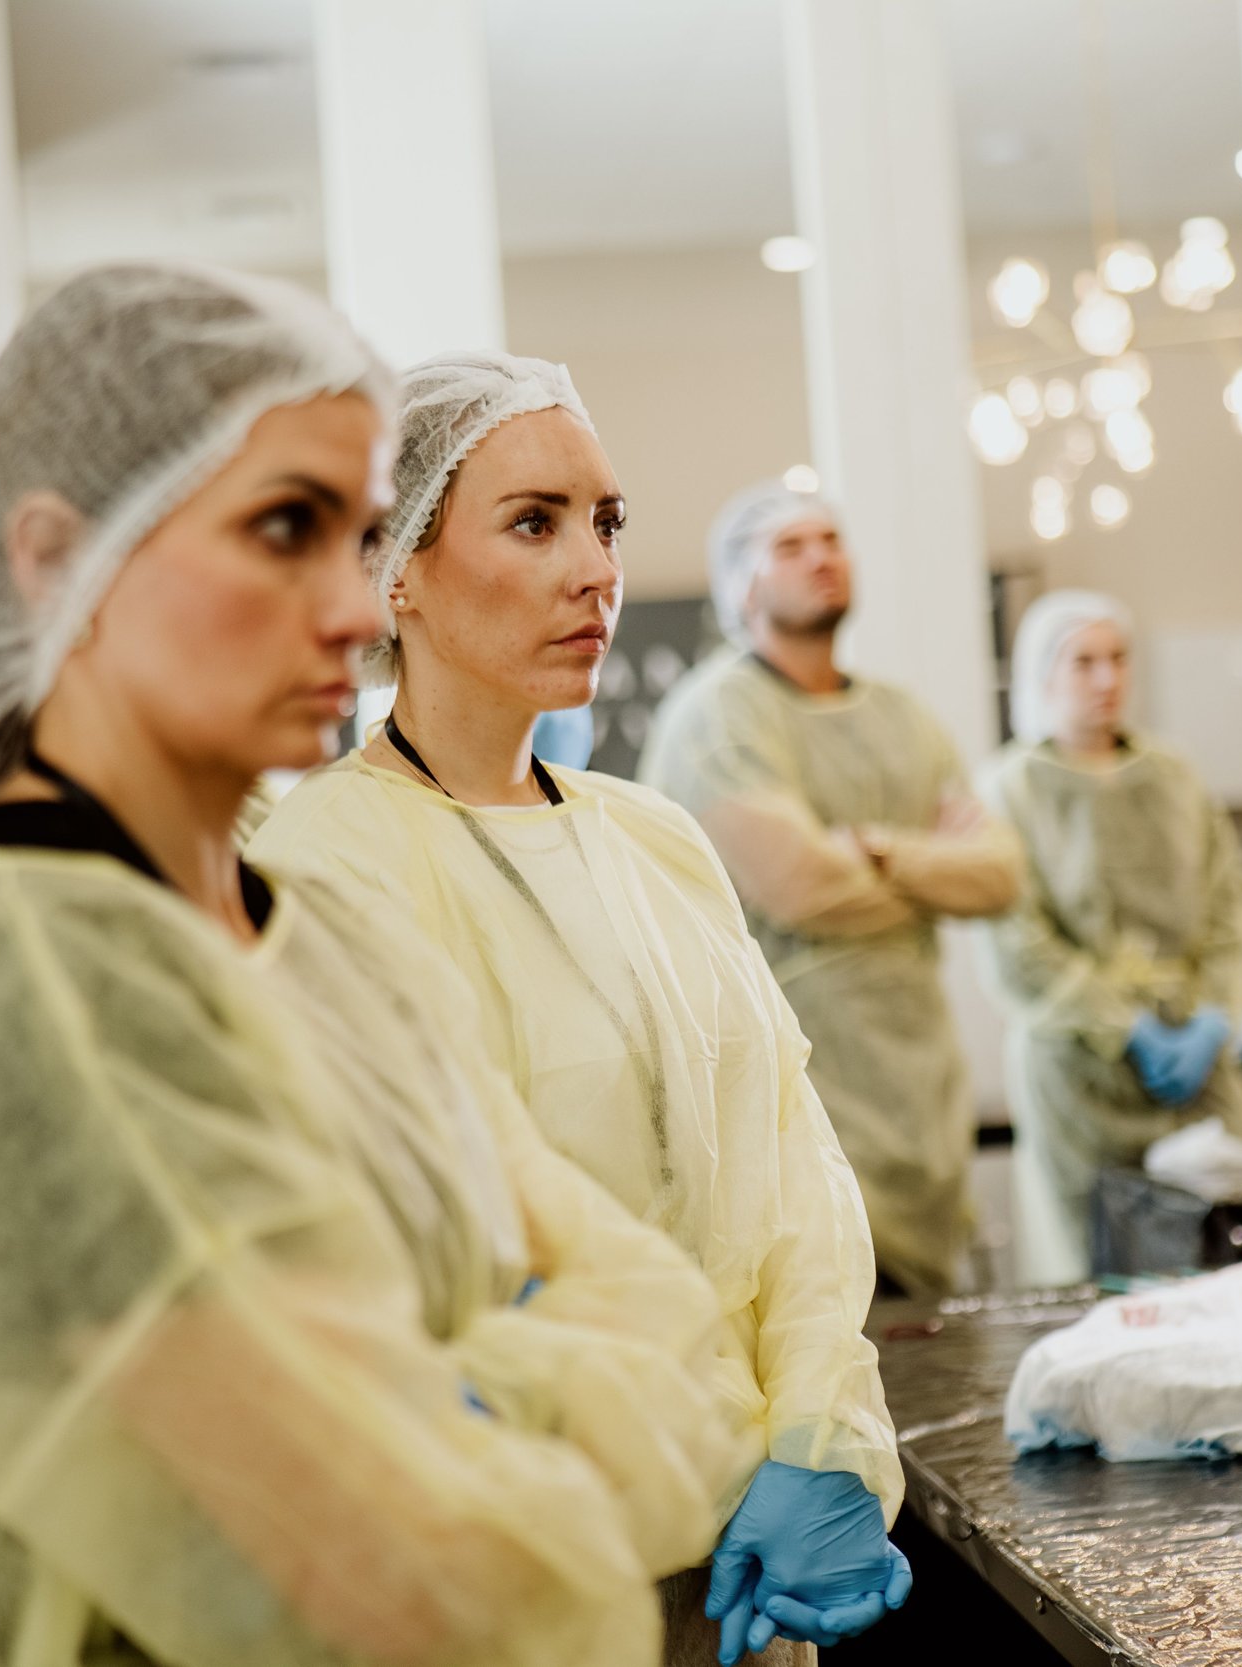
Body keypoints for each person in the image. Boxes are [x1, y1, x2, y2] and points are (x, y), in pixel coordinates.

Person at [0, 266, 761, 1667]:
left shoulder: (322, 935)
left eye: (362, 536)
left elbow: (673, 1331)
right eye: (285, 528)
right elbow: (423, 1585)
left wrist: (459, 1388)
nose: (354, 609)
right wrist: (506, 1359)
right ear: (56, 555)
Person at [248, 353, 906, 1667]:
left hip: (747, 1565)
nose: (595, 568)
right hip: (530, 1585)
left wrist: (824, 1438)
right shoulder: (319, 860)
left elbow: (794, 1169)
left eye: (605, 521)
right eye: (533, 521)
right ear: (400, 569)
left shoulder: (653, 837)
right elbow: (427, 1264)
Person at [637, 483, 1021, 1297]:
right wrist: (930, 871)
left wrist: (873, 848)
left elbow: (1000, 874)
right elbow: (798, 883)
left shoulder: (904, 718)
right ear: (740, 584)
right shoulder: (717, 717)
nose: (821, 558)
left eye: (831, 539)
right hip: (795, 1072)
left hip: (918, 1081)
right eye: (790, 545)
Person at [971, 590, 1242, 1288]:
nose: (1106, 679)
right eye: (1083, 662)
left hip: (1193, 1060)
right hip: (1080, 1080)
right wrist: (1121, 1024)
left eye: (1117, 659)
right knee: (1103, 1275)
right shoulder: (1012, 789)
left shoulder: (1174, 775)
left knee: (1234, 1260)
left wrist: (1214, 1013)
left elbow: (1229, 905)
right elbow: (1020, 940)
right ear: (1044, 675)